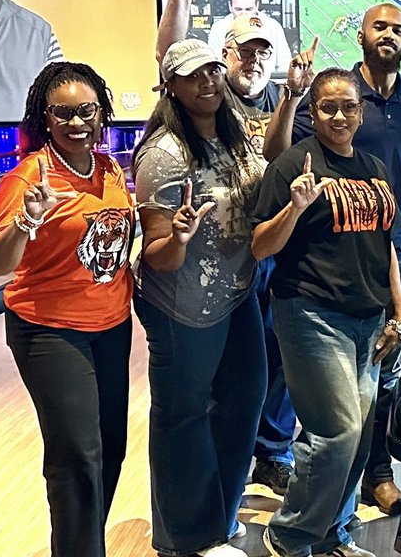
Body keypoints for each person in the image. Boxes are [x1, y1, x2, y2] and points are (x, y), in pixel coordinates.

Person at [154, 0, 316, 499]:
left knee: (274, 360)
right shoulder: (212, 99)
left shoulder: (280, 100)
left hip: (269, 247)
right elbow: (167, 58)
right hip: (210, 265)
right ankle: (228, 463)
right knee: (224, 379)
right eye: (242, 52)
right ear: (223, 58)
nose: (252, 60)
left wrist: (294, 94)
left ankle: (269, 451)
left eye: (261, 51)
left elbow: (274, 154)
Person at [265, 3, 401, 532]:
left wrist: (399, 303)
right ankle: (298, 524)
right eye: (379, 26)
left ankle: (355, 497)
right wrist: (292, 97)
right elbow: (276, 167)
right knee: (335, 421)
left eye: (397, 29)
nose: (340, 117)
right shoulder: (311, 138)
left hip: (384, 264)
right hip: (316, 292)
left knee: (372, 399)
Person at [0, 62, 134, 557]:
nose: (76, 123)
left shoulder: (109, 168)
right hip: (48, 330)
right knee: (75, 456)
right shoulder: (30, 176)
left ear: (100, 111)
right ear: (45, 118)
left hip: (111, 325)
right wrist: (26, 222)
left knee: (110, 449)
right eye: (62, 113)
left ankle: (84, 544)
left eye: (86, 111)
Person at [252, 67, 401, 557]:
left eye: (348, 107)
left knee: (359, 438)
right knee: (337, 431)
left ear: (361, 112)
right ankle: (290, 535)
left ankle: (332, 535)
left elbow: (388, 248)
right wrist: (294, 208)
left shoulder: (374, 167)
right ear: (313, 112)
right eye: (327, 107)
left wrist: (397, 314)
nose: (339, 116)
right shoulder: (293, 166)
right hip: (312, 314)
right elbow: (259, 246)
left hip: (370, 320)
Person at [132, 40, 268, 557]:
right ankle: (182, 538)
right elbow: (158, 256)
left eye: (212, 70)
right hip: (182, 307)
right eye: (192, 76)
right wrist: (180, 238)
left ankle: (219, 518)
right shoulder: (164, 156)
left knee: (243, 401)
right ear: (171, 85)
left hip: (236, 294)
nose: (208, 82)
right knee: (183, 417)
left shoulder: (233, 133)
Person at [207, 0, 295, 74]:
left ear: (257, 6)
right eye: (238, 9)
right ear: (230, 6)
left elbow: (284, 65)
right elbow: (214, 66)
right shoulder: (218, 29)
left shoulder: (273, 27)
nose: (243, 14)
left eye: (249, 9)